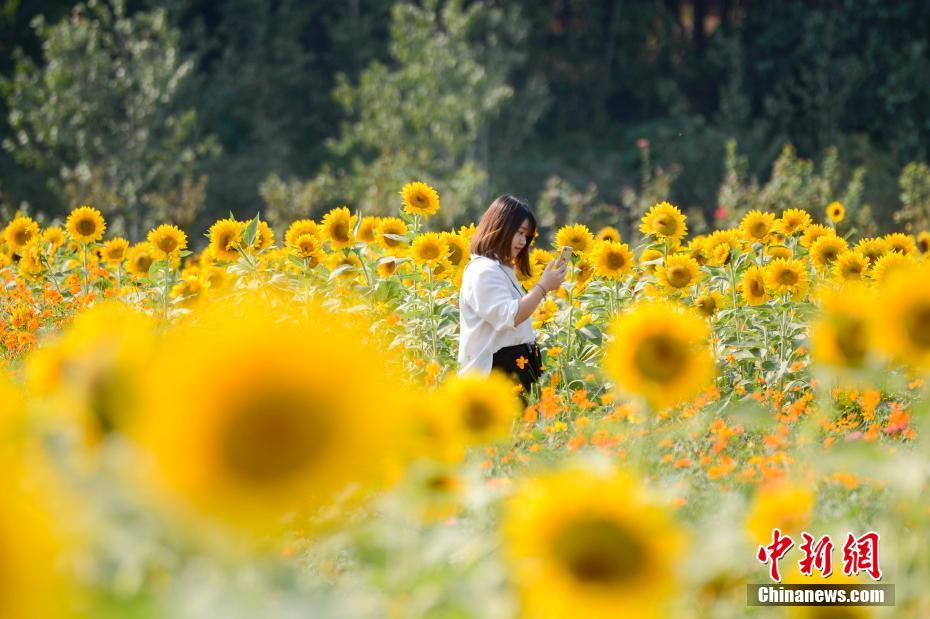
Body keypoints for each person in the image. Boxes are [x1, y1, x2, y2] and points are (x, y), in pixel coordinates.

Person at [457, 194, 568, 398]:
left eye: (527, 236)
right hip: (492, 377)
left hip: (512, 371)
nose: (523, 242)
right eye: (519, 232)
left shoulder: (500, 269)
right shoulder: (483, 271)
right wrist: (543, 287)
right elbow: (510, 316)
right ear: (499, 226)